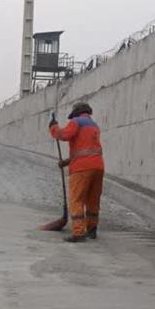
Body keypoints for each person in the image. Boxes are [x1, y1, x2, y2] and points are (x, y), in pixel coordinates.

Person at [49, 102, 105, 242]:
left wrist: (54, 128)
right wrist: (66, 162)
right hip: (98, 167)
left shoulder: (76, 122)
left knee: (77, 199)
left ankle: (79, 233)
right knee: (93, 200)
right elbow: (86, 151)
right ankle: (92, 230)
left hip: (81, 169)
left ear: (76, 113)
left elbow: (64, 135)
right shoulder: (94, 125)